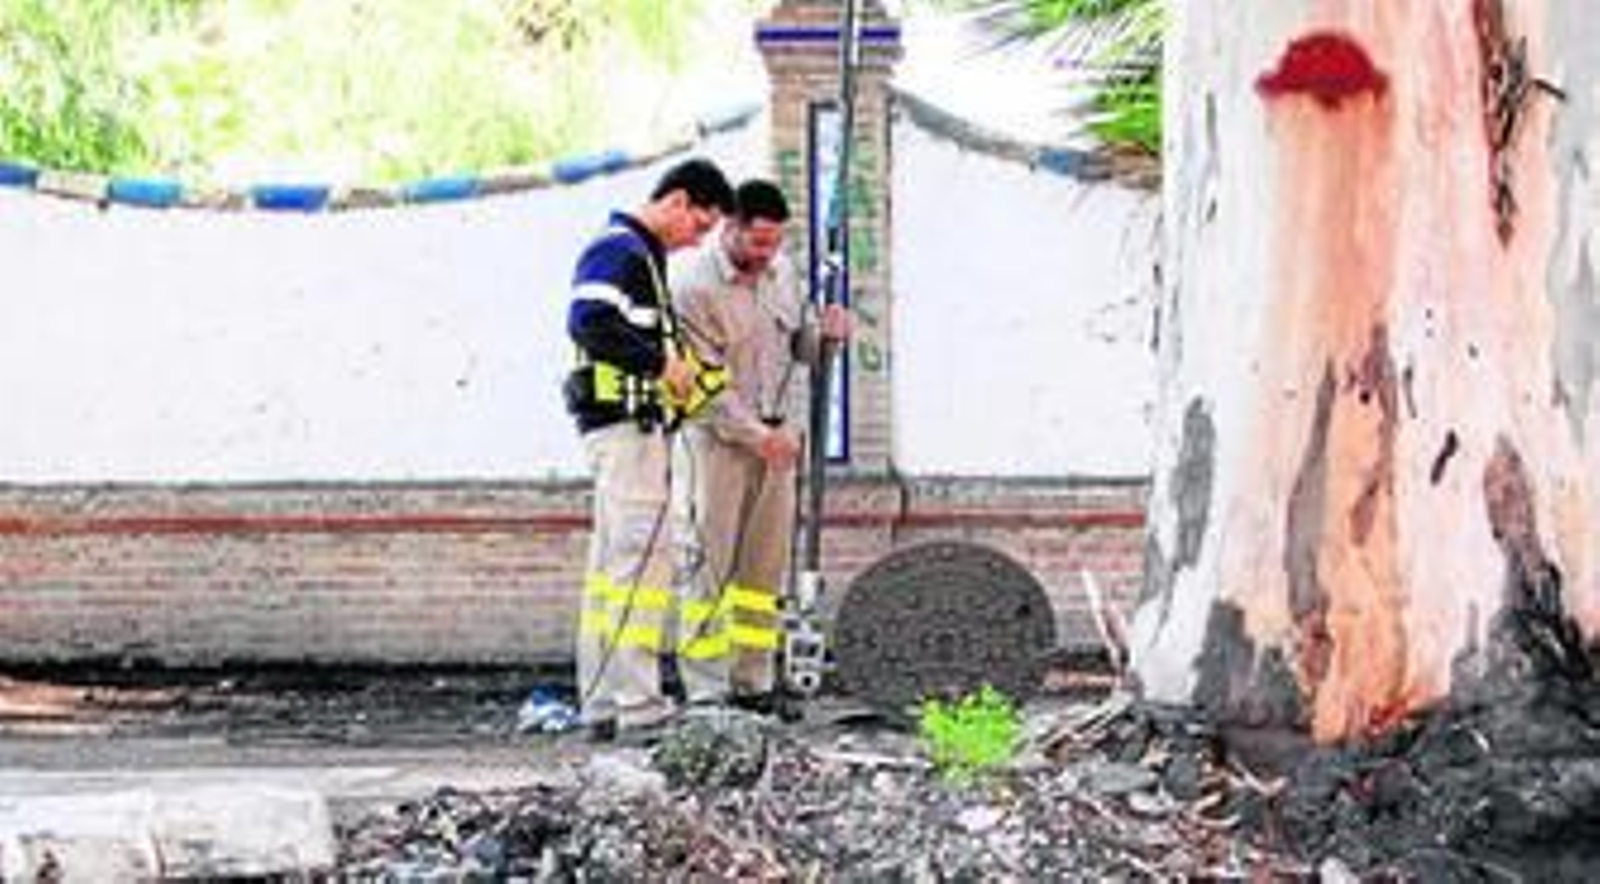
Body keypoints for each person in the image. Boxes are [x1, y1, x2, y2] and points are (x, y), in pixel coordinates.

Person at [563, 157, 735, 740]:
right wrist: (662, 364)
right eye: (700, 226)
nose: (698, 241)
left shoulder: (639, 255)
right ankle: (639, 705)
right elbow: (588, 320)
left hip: (623, 429)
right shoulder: (621, 250)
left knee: (613, 570)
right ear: (677, 201)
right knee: (640, 567)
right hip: (627, 430)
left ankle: (604, 703)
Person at [671, 179, 851, 714]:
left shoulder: (783, 274)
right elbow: (704, 386)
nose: (766, 254)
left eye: (774, 243)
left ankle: (753, 679)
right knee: (709, 567)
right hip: (716, 445)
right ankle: (707, 688)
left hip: (778, 443)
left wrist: (828, 336)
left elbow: (803, 351)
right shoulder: (693, 287)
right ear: (730, 228)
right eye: (757, 242)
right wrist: (757, 436)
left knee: (763, 569)